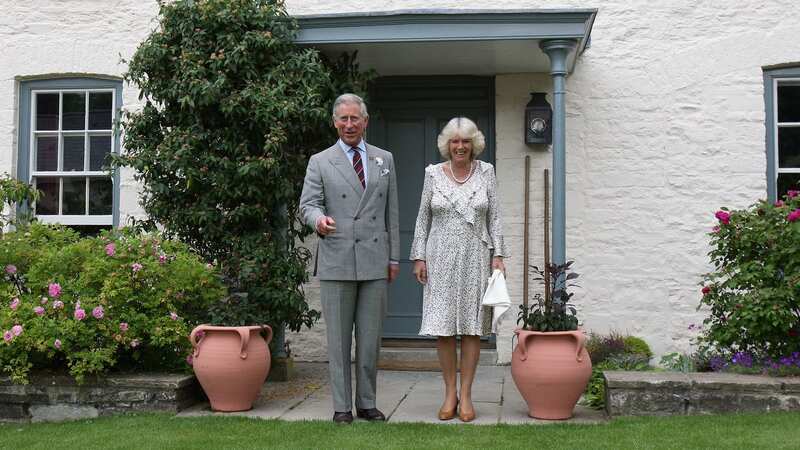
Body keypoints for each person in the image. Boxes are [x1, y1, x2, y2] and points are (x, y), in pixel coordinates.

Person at [299, 93, 400, 424]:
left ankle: (367, 402)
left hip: (374, 258)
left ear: (365, 121)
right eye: (343, 118)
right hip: (337, 257)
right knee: (339, 341)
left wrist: (394, 258)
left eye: (355, 118)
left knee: (370, 340)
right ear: (334, 122)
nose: (349, 124)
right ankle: (342, 407)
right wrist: (318, 221)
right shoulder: (320, 161)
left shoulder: (384, 159)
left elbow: (392, 214)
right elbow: (308, 205)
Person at [410, 117, 506, 422]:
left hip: (476, 255)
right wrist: (419, 257)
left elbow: (496, 216)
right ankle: (449, 393)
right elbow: (422, 218)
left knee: (472, 327)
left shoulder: (487, 172)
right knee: (444, 329)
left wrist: (499, 255)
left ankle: (466, 396)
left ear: (473, 144)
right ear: (447, 144)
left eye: (465, 141)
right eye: (455, 141)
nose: (460, 146)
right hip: (439, 258)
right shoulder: (432, 174)